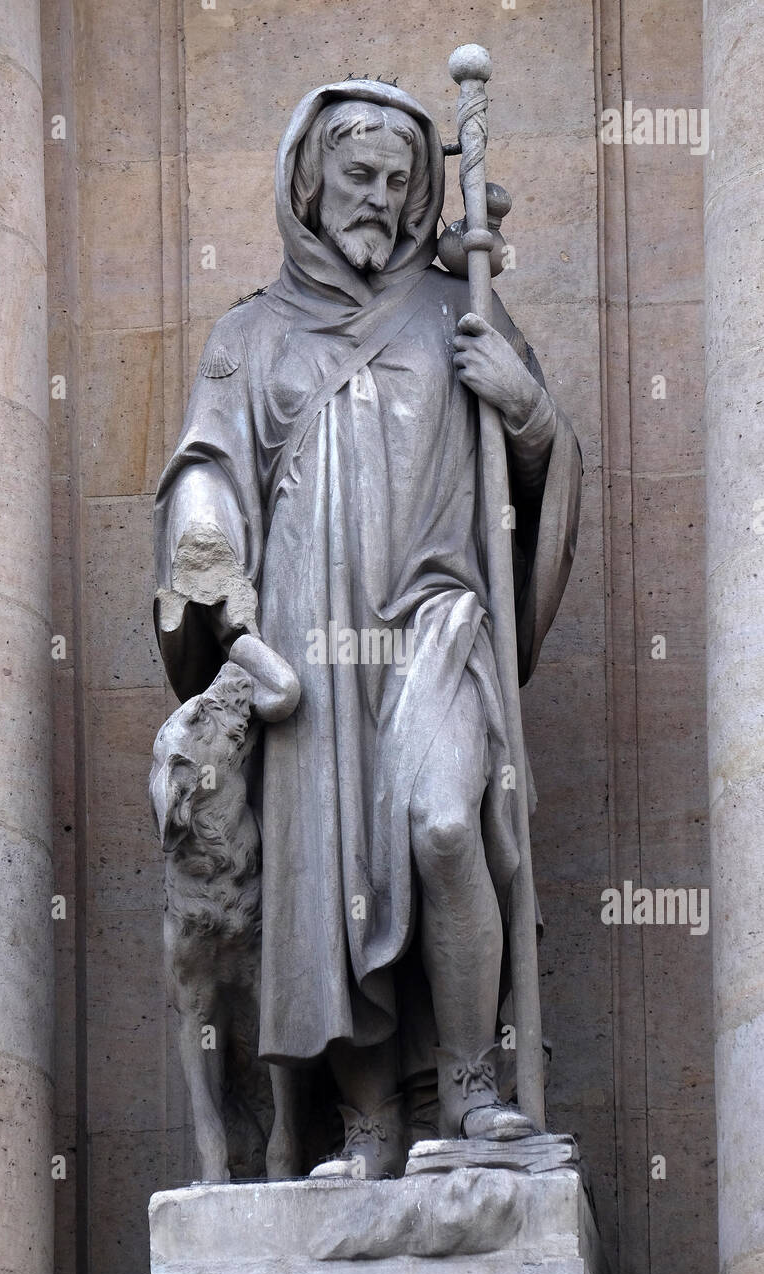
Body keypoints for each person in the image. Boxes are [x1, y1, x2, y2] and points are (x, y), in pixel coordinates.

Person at [153, 79, 582, 1178]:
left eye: (399, 181)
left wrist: (526, 412)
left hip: (437, 618)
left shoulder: (457, 307)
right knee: (326, 876)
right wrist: (206, 523)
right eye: (358, 176)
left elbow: (544, 468)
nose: (379, 200)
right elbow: (208, 463)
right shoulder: (249, 332)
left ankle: (476, 1088)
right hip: (311, 637)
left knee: (444, 824)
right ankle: (370, 1128)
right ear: (311, 177)